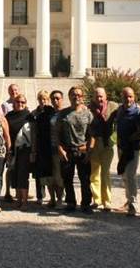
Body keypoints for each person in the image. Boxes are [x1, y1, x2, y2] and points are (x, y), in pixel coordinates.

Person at [57, 86, 94, 214]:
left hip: (83, 150)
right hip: (68, 150)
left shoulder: (88, 114)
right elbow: (57, 134)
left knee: (85, 179)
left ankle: (85, 204)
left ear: (82, 97)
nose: (76, 97)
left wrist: (89, 151)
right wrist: (60, 149)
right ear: (69, 96)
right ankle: (71, 202)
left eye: (78, 94)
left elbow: (92, 135)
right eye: (73, 94)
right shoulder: (63, 114)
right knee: (67, 178)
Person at [87, 87, 118, 212]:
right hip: (94, 143)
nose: (99, 98)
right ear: (93, 98)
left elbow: (119, 125)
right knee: (94, 173)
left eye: (101, 96)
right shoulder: (89, 109)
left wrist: (113, 139)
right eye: (96, 96)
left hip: (107, 143)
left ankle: (107, 201)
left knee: (105, 173)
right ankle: (97, 199)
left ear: (106, 96)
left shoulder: (114, 107)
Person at [114, 87, 140, 216]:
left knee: (130, 175)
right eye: (126, 96)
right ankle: (128, 201)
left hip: (132, 148)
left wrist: (131, 139)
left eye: (130, 96)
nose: (128, 99)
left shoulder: (138, 111)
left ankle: (133, 204)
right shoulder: (120, 109)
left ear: (134, 97)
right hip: (121, 147)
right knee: (125, 176)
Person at [5, 94, 33, 210]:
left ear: (25, 103)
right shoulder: (9, 115)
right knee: (15, 174)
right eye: (18, 102)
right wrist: (8, 149)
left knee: (23, 174)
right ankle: (18, 200)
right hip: (12, 149)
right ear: (14, 103)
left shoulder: (29, 116)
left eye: (22, 102)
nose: (20, 104)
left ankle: (25, 201)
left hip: (25, 149)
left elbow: (34, 134)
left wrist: (34, 151)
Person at [30, 90, 56, 206]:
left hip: (50, 145)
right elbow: (33, 131)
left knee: (52, 172)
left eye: (45, 99)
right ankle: (40, 196)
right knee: (39, 172)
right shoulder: (34, 113)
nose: (43, 101)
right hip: (39, 145)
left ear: (48, 100)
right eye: (41, 99)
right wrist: (33, 150)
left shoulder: (52, 112)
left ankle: (54, 197)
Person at [0, 83, 20, 201]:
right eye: (12, 90)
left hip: (20, 141)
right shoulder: (5, 105)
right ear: (8, 91)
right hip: (8, 139)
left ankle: (19, 191)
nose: (14, 92)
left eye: (16, 90)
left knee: (20, 168)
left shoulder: (22, 104)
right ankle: (7, 192)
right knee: (9, 167)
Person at [46, 90, 65, 207]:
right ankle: (52, 198)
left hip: (60, 148)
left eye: (58, 98)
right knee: (49, 175)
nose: (55, 101)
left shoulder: (65, 113)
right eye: (53, 99)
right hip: (49, 147)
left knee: (59, 175)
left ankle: (59, 198)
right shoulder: (49, 114)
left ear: (62, 99)